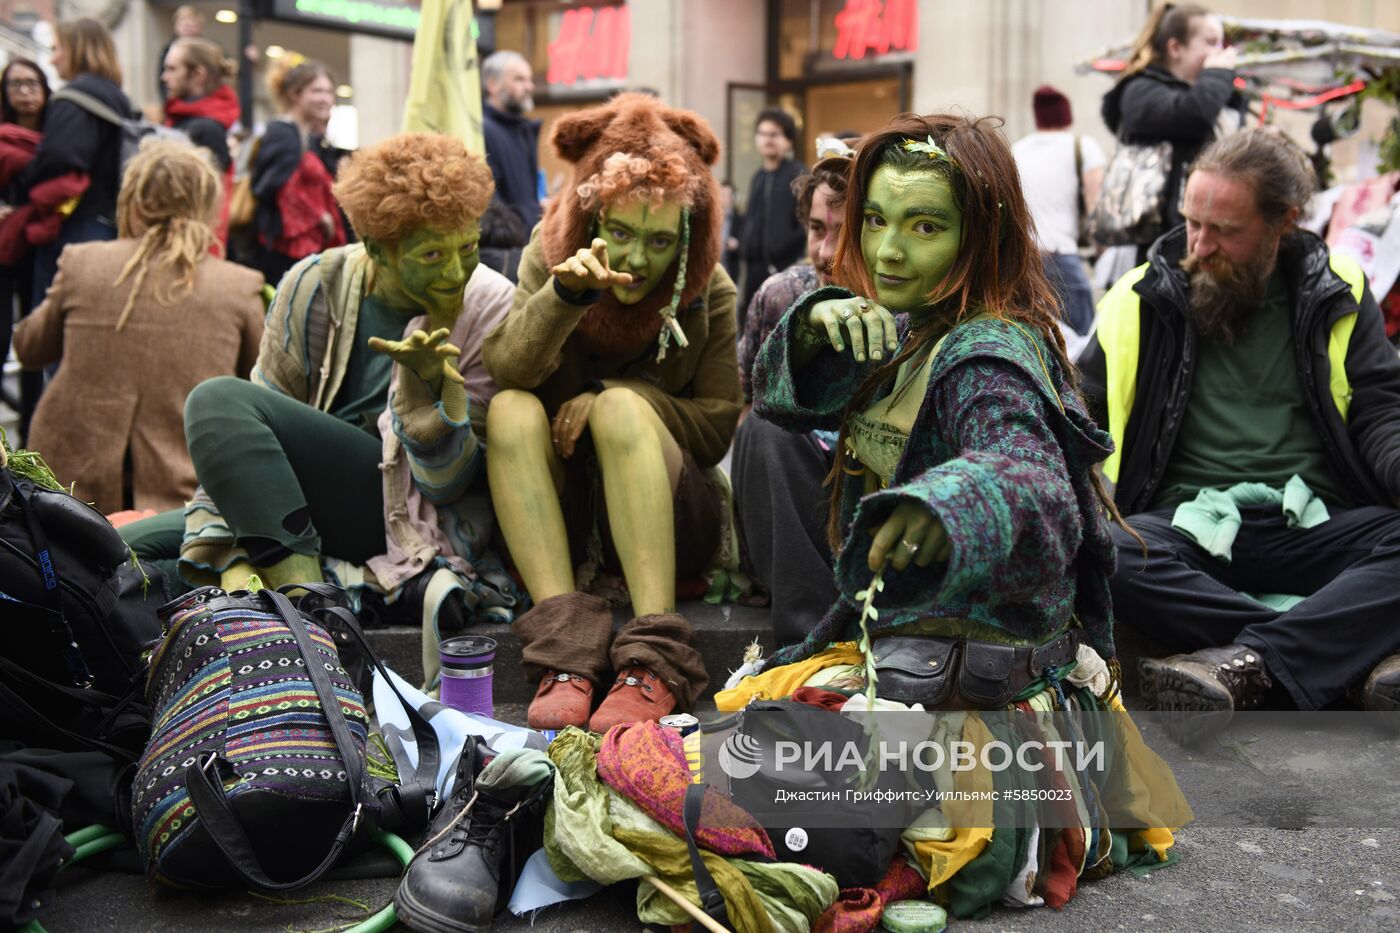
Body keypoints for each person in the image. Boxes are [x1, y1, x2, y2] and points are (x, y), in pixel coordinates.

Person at [746, 113, 1178, 913]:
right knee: (720, 783)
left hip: (976, 727)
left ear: (980, 235)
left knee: (713, 808)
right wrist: (809, 330)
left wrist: (953, 503)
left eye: (924, 226)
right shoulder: (914, 326)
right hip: (903, 667)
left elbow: (1034, 479)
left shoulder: (989, 355)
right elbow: (772, 403)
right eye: (873, 219)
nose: (886, 251)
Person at [120, 133, 520, 636]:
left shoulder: (489, 303)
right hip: (297, 505)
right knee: (122, 549)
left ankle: (309, 615)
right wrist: (224, 549)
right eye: (433, 257)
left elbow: (454, 486)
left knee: (215, 399)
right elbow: (245, 450)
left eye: (467, 247)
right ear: (376, 248)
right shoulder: (315, 283)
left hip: (408, 513)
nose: (458, 271)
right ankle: (285, 590)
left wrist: (431, 409)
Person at [1079, 128, 1400, 731]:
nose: (1199, 245)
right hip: (1182, 525)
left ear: (1284, 223)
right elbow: (1079, 415)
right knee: (1104, 549)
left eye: (1225, 231)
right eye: (1192, 222)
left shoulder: (1341, 291)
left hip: (1314, 523)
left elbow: (1382, 410)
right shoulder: (1137, 299)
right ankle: (1332, 655)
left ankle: (1248, 662)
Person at [481, 92, 740, 733]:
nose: (634, 258)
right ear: (592, 220)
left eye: (658, 241)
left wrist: (612, 398)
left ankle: (654, 658)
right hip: (566, 513)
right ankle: (565, 653)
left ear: (685, 236)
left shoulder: (711, 290)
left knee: (621, 407)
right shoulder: (550, 259)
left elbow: (715, 429)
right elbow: (509, 371)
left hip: (678, 519)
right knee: (511, 408)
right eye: (619, 233)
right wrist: (565, 296)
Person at [12, 139, 263, 515]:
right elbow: (259, 389)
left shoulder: (83, 262)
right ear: (208, 205)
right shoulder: (238, 285)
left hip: (69, 487)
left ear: (133, 199)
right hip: (182, 497)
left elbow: (29, 349)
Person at [732, 148, 853, 646]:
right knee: (767, 426)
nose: (824, 252)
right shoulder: (781, 295)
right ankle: (810, 644)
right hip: (787, 510)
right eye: (816, 229)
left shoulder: (909, 303)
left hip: (868, 516)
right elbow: (743, 408)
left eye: (842, 231)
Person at [1100, 3, 1242, 262]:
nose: (1220, 52)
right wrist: (1218, 74)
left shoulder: (1209, 92)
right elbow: (1192, 115)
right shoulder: (1140, 90)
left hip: (1198, 233)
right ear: (1175, 48)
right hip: (1153, 240)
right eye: (1211, 42)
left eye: (1222, 43)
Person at [20, 18, 131, 310]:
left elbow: (59, 156)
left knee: (53, 325)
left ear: (76, 49)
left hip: (74, 226)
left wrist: (25, 176)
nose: (53, 58)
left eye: (57, 48)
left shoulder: (72, 99)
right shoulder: (117, 97)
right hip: (109, 223)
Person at [246, 56, 346, 287]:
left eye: (329, 92)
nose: (325, 99)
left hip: (303, 251)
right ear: (295, 94)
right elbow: (272, 188)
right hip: (285, 251)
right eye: (317, 91)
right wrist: (318, 216)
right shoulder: (283, 133)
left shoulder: (305, 135)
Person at [1013, 85, 1105, 336]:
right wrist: (1103, 255)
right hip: (1062, 259)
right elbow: (1096, 208)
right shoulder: (1083, 146)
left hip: (1022, 262)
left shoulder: (1016, 151)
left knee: (1033, 341)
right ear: (1067, 116)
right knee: (1085, 344)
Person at [0, 58, 48, 442]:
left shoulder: (57, 139)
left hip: (38, 243)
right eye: (16, 84)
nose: (24, 92)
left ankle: (32, 435)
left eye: (31, 83)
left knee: (34, 339)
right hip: (3, 247)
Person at [737, 107, 807, 322]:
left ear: (788, 140)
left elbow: (807, 223)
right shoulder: (758, 177)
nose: (767, 140)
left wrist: (783, 249)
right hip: (753, 270)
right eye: (762, 133)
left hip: (783, 269)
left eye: (774, 134)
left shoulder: (798, 175)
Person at [481, 50, 542, 234]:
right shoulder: (483, 131)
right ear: (492, 84)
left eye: (529, 80)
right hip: (506, 249)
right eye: (519, 79)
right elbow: (491, 202)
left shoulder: (523, 131)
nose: (529, 86)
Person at [157, 5, 206, 102]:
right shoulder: (168, 50)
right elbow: (161, 81)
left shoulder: (206, 51)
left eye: (191, 23)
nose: (187, 26)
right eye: (183, 23)